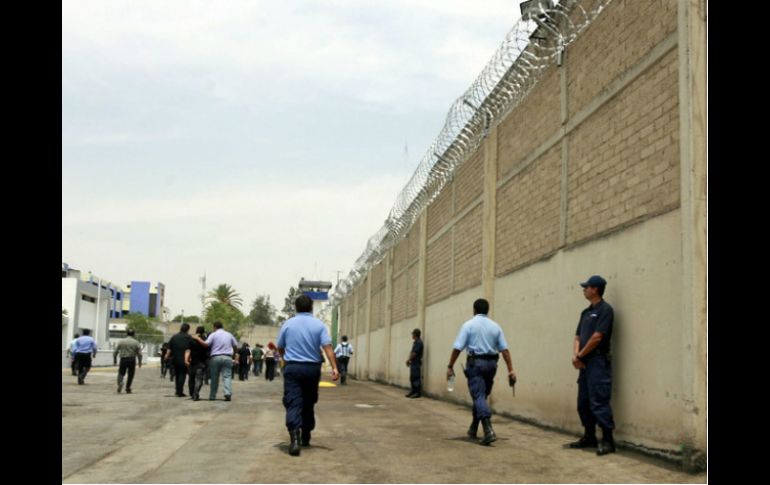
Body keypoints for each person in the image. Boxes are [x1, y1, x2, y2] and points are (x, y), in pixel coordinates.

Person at [446, 298, 516, 445]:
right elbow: (505, 350)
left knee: (478, 395)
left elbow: (457, 348)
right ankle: (473, 427)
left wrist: (450, 366)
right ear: (487, 310)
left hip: (476, 364)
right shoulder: (496, 327)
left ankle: (488, 430)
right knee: (482, 397)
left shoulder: (468, 325)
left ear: (474, 310)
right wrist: (511, 370)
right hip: (492, 365)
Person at [277, 294, 339, 456]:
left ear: (296, 308)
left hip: (293, 367)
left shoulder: (288, 324)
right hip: (312, 369)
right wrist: (335, 368)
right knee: (309, 401)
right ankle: (306, 434)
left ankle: (294, 439)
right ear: (311, 307)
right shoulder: (319, 325)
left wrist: (285, 360)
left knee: (293, 401)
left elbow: (280, 347)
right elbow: (328, 348)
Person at [567, 275, 616, 456]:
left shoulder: (606, 310)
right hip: (584, 363)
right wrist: (576, 356)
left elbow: (597, 337)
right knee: (583, 402)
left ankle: (608, 441)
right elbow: (578, 336)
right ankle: (589, 436)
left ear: (595, 289)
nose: (584, 289)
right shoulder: (585, 312)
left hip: (598, 362)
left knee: (599, 401)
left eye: (586, 287)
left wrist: (580, 355)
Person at [195, 321, 238, 401]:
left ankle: (212, 396)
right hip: (227, 357)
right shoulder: (229, 334)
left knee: (214, 377)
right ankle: (227, 393)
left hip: (215, 358)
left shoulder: (213, 335)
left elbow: (206, 344)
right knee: (227, 376)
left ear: (214, 327)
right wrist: (234, 354)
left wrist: (198, 339)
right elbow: (235, 345)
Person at [166, 323, 194, 397]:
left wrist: (166, 356)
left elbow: (169, 348)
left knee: (177, 375)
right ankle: (179, 391)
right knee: (182, 375)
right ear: (188, 329)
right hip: (184, 359)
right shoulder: (189, 337)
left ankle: (177, 390)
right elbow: (192, 348)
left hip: (175, 359)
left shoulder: (174, 337)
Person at [113, 329, 143, 394]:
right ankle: (128, 388)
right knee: (131, 374)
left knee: (121, 373)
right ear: (134, 334)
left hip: (123, 359)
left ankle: (120, 383)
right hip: (132, 359)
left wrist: (115, 360)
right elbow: (140, 354)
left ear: (127, 334)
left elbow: (115, 351)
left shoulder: (121, 341)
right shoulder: (136, 342)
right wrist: (140, 362)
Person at [186, 326, 209, 401]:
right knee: (199, 379)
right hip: (201, 363)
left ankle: (192, 393)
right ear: (203, 331)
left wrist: (186, 359)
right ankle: (195, 394)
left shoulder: (191, 339)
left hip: (193, 362)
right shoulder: (205, 339)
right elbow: (208, 348)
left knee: (191, 379)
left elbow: (188, 350)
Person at [405, 328, 424, 398]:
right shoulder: (416, 342)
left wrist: (409, 360)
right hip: (413, 363)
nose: (412, 335)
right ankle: (413, 391)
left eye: (413, 334)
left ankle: (417, 393)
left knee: (416, 378)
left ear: (415, 335)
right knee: (412, 378)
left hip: (416, 363)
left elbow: (414, 353)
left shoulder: (419, 343)